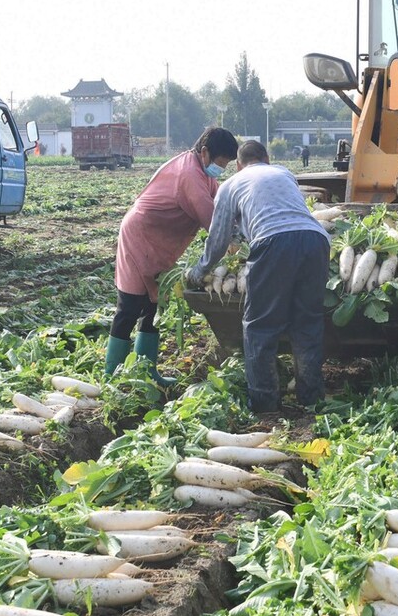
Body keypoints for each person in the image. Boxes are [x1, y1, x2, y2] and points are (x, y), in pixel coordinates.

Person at [184, 140, 330, 414]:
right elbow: (278, 209)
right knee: (307, 324)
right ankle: (311, 399)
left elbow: (218, 239)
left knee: (260, 327)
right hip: (315, 240)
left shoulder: (231, 185)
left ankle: (265, 404)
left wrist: (200, 270)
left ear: (238, 165)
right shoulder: (283, 172)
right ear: (267, 157)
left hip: (274, 242)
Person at [106, 126, 239, 385]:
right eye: (221, 163)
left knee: (155, 307)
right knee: (130, 306)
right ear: (205, 153)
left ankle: (147, 371)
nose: (221, 170)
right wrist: (235, 241)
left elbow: (221, 204)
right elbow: (212, 221)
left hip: (160, 244)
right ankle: (112, 376)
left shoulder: (204, 175)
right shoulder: (189, 174)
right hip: (140, 238)